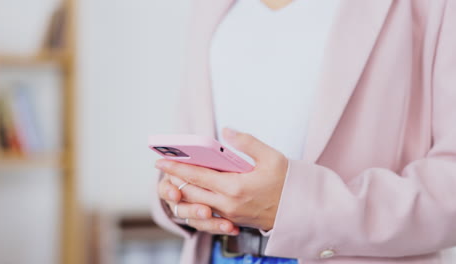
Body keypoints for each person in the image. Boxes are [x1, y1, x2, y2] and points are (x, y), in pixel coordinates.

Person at [152, 0, 456, 263]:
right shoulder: (209, 7)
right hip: (216, 253)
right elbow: (195, 132)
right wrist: (180, 194)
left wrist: (297, 207)